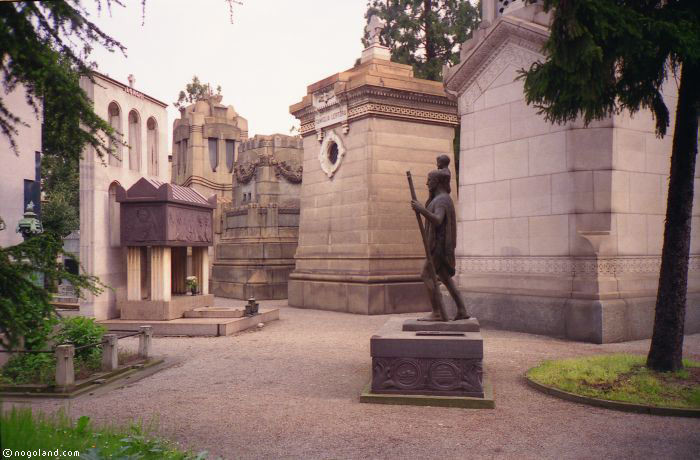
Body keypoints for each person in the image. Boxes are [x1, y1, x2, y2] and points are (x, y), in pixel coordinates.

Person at [411, 167, 469, 321]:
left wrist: (421, 209)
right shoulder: (441, 199)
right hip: (440, 246)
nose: (427, 183)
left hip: (438, 247)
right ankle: (462, 310)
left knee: (426, 274)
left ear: (436, 182)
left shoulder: (442, 200)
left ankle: (436, 312)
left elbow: (437, 220)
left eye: (429, 180)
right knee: (445, 278)